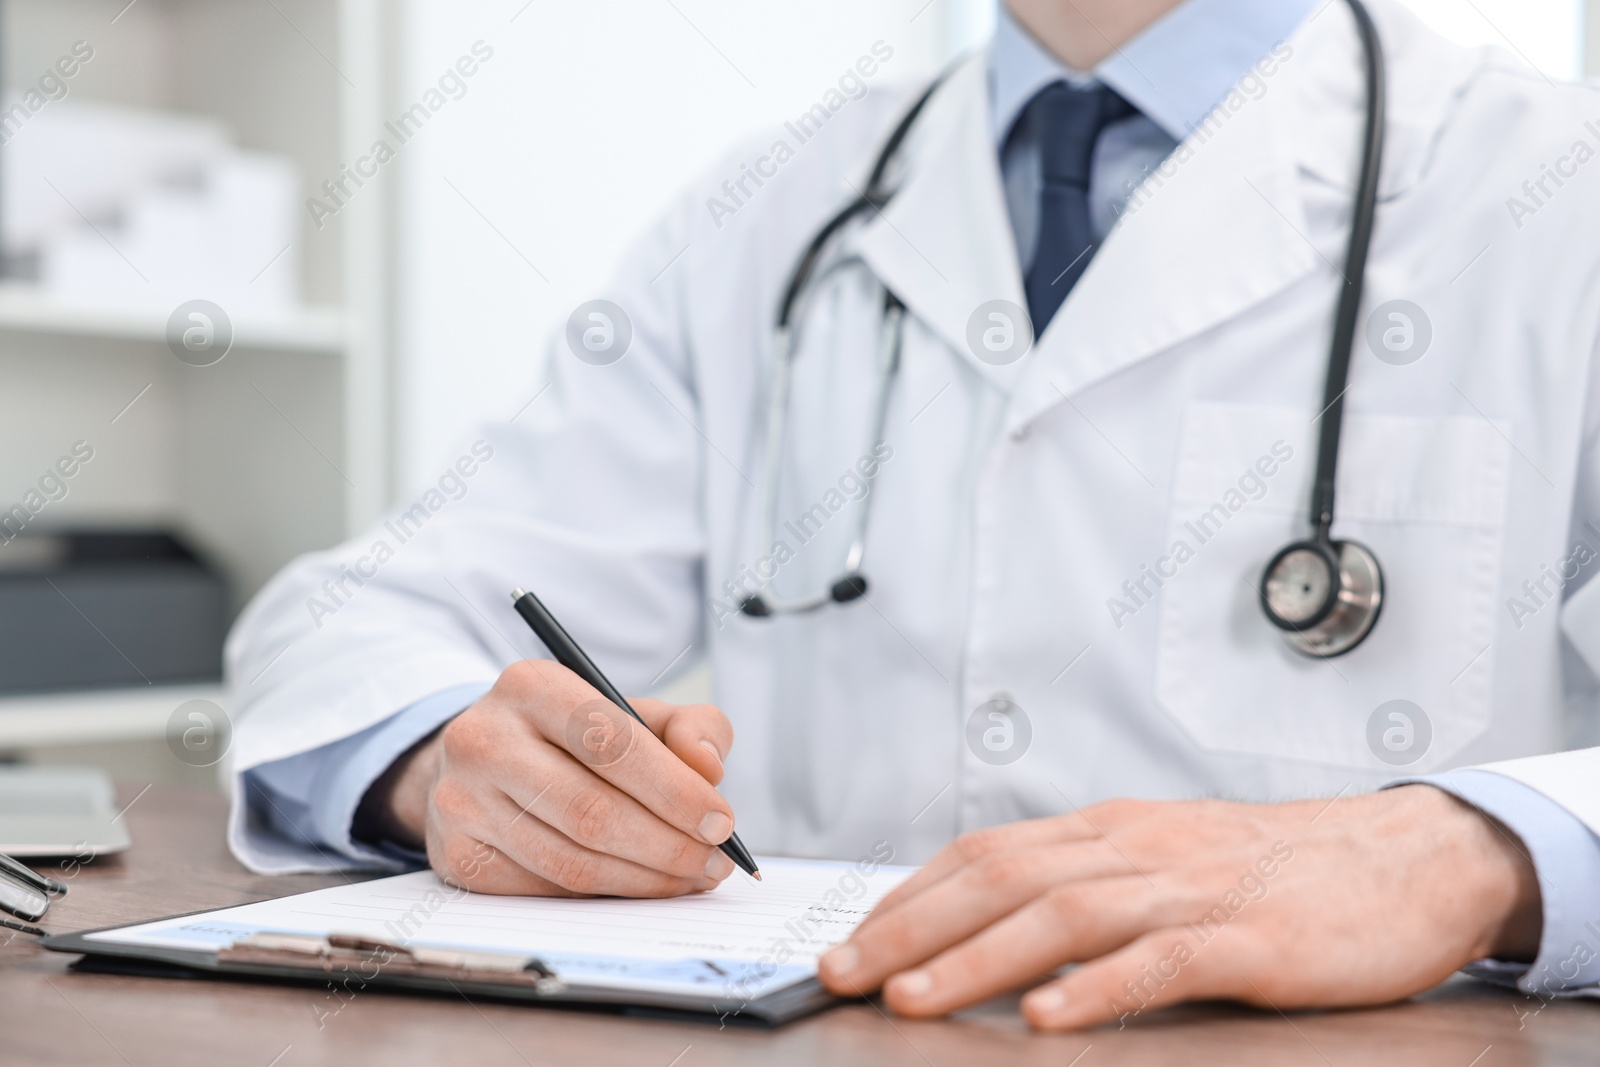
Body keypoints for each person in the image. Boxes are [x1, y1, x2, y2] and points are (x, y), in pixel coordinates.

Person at [226, 0, 1600, 1031]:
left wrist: (1473, 851)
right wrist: (449, 766)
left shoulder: (1556, 185)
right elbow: (356, 620)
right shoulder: (770, 211)